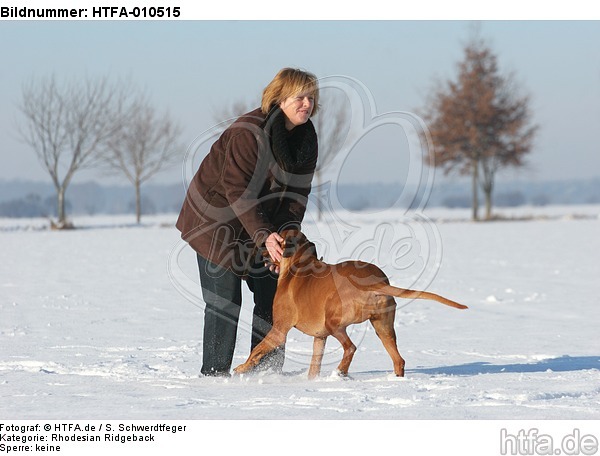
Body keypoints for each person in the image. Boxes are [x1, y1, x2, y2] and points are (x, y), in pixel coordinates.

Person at [176, 68, 319, 377]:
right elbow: (236, 189)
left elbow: (297, 194)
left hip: (263, 226)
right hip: (216, 223)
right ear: (280, 98)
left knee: (274, 295)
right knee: (225, 301)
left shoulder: (306, 138)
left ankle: (263, 372)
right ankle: (214, 375)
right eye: (299, 97)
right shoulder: (249, 132)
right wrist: (264, 234)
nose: (306, 104)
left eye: (311, 98)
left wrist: (284, 235)